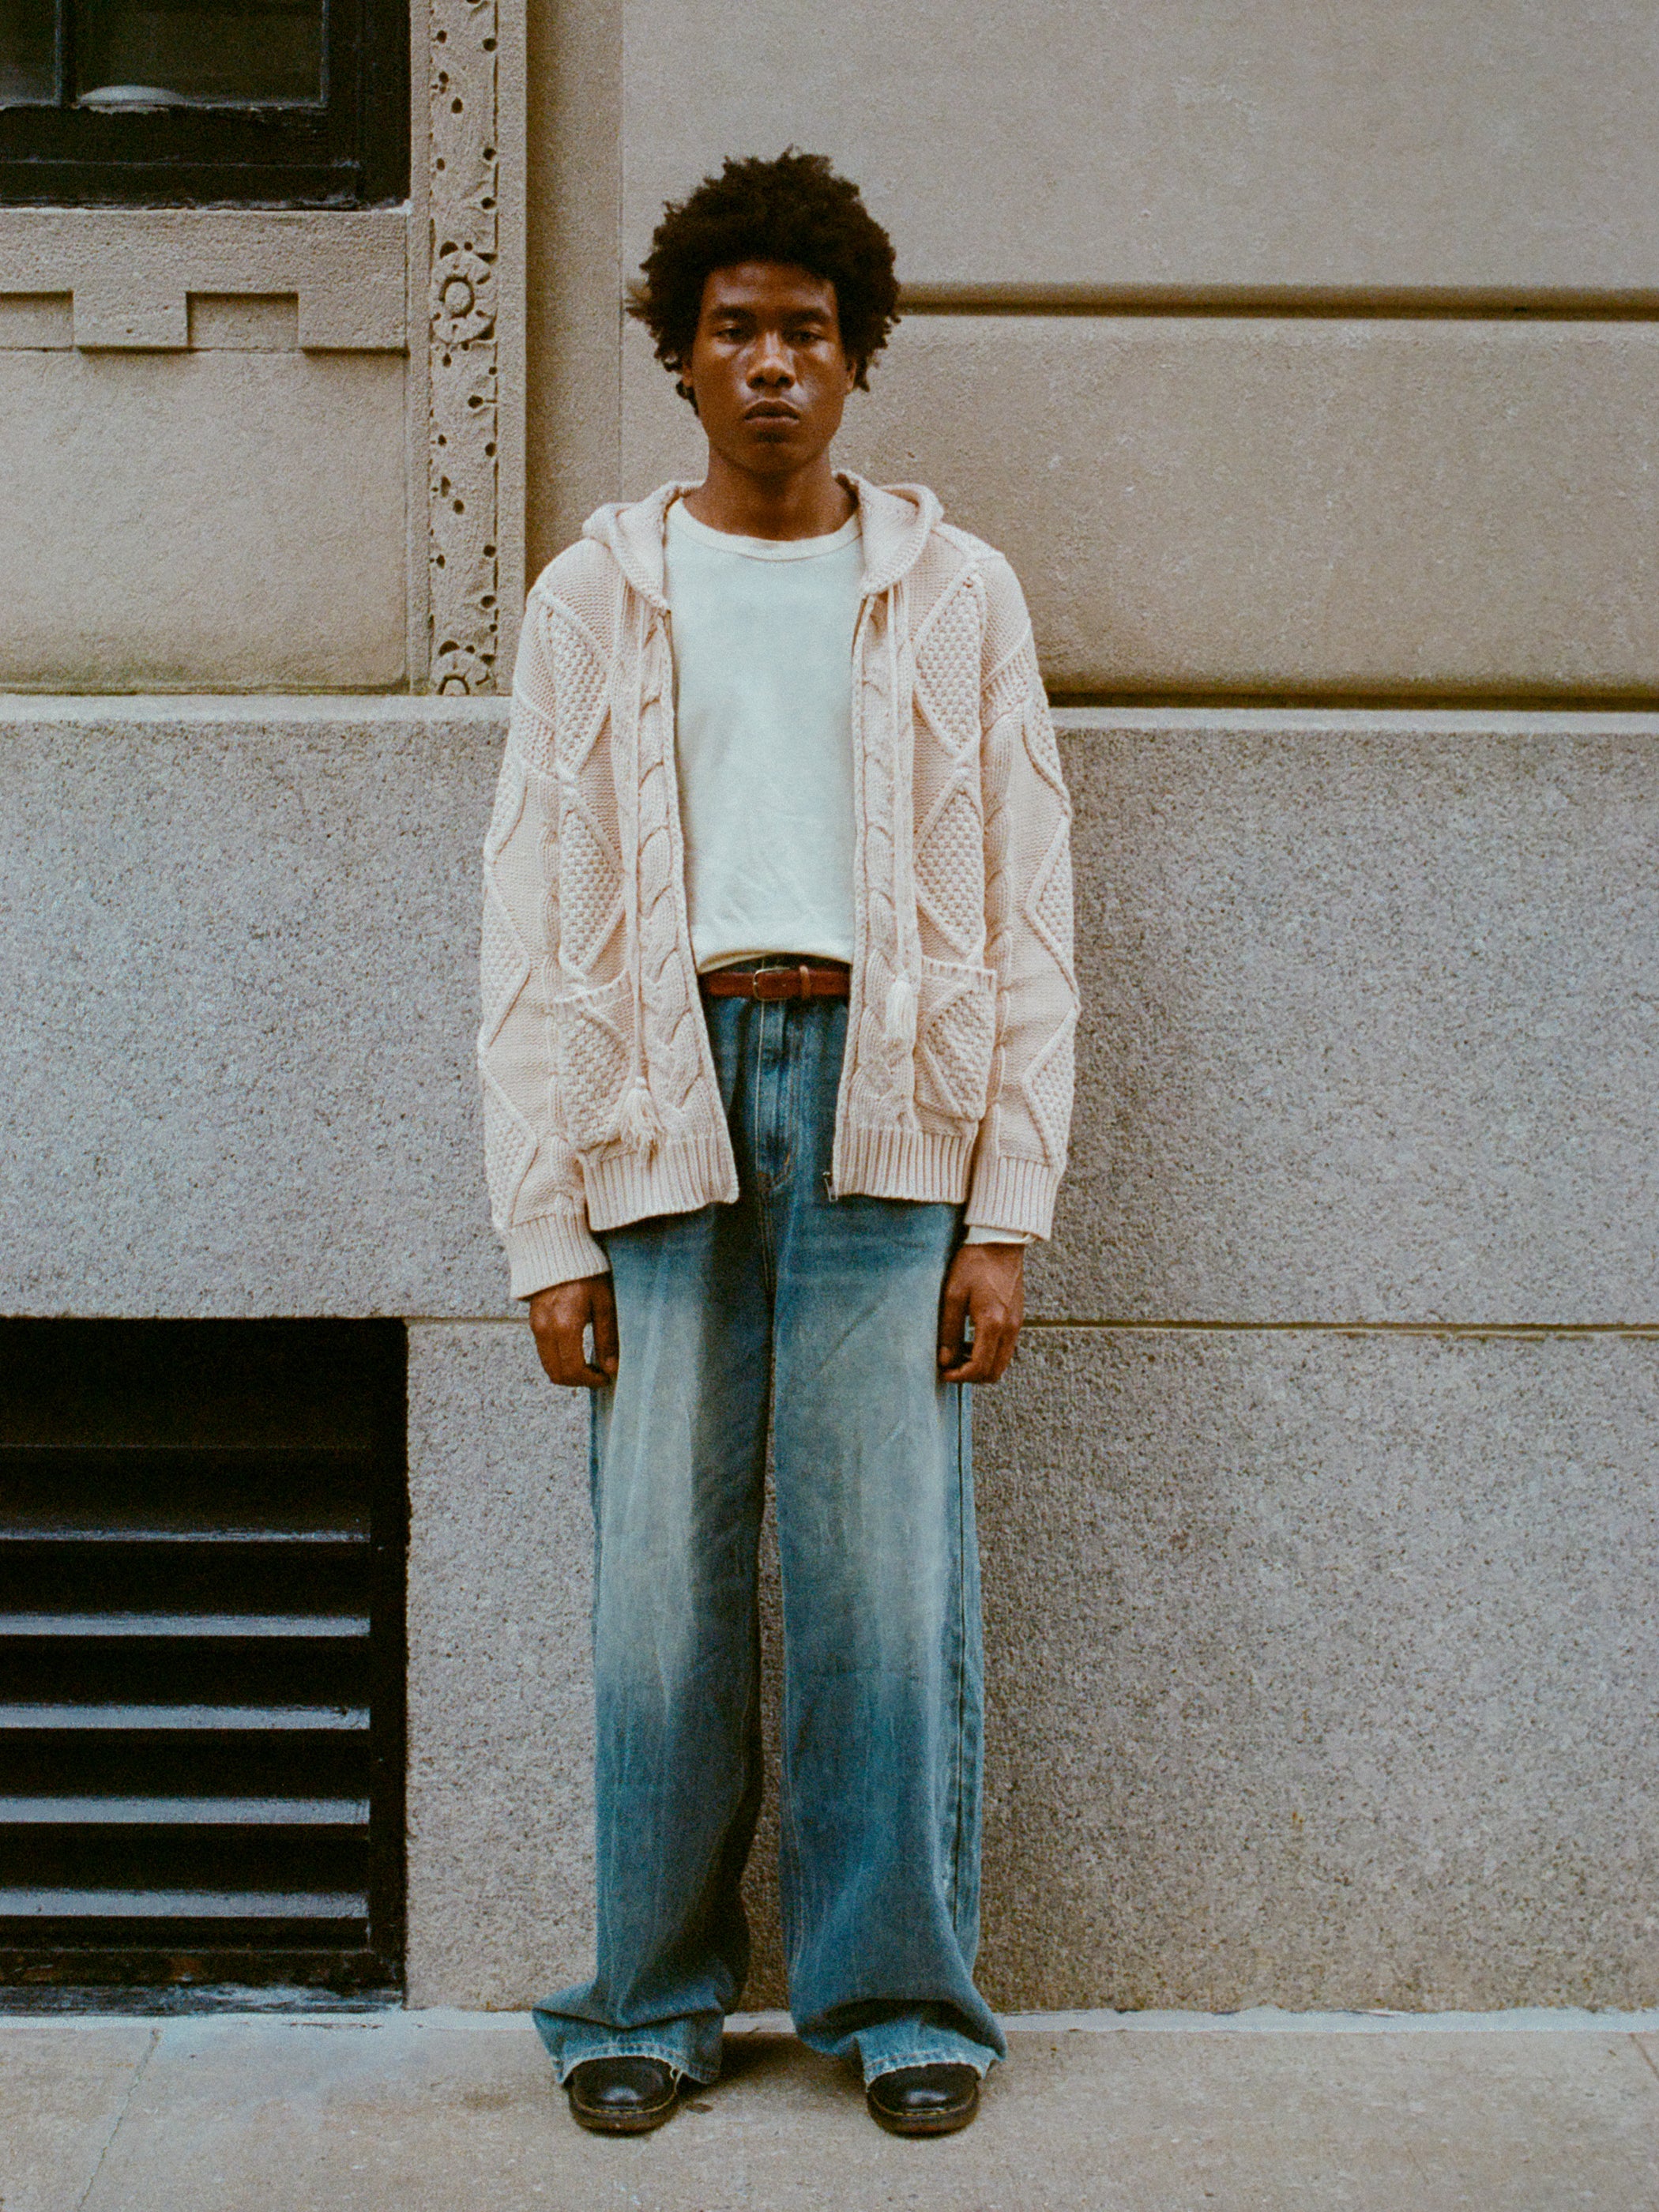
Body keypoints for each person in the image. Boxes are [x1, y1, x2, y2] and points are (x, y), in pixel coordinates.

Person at [478, 150, 1076, 2139]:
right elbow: (530, 914)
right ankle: (643, 1998)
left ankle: (901, 1998)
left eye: (803, 330)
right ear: (678, 353)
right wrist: (542, 1223)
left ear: (856, 355)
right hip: (663, 1097)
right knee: (660, 1576)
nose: (767, 363)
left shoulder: (951, 592)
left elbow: (1026, 903)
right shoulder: (597, 594)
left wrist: (1010, 1208)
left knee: (887, 1580)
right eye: (731, 327)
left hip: (890, 1110)